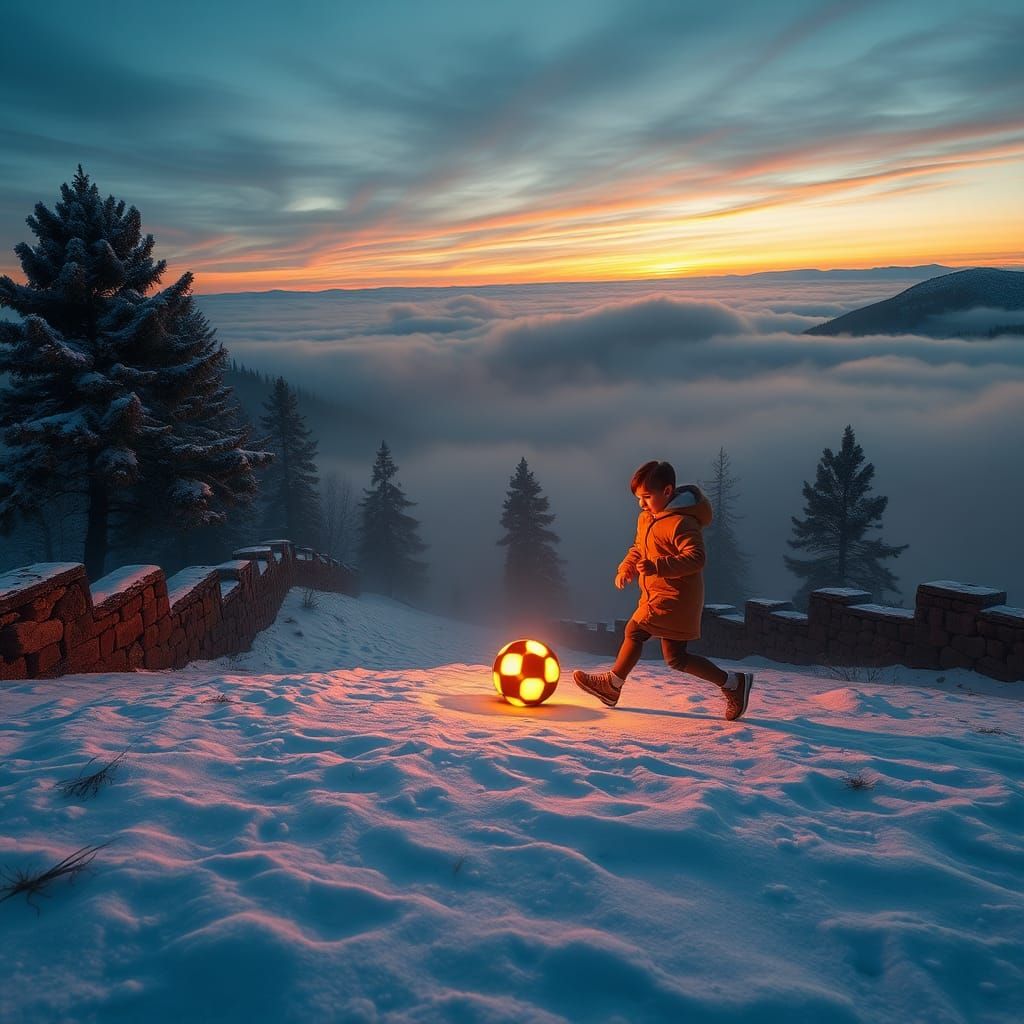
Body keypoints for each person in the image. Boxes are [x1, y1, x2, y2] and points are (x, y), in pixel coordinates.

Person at [573, 460, 754, 721]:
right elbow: (639, 548)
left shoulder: (682, 523)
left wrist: (658, 566)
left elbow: (697, 558)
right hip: (656, 594)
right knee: (676, 658)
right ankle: (733, 684)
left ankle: (612, 685)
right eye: (638, 498)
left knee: (634, 631)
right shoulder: (646, 519)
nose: (641, 504)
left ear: (667, 491)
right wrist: (627, 568)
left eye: (647, 497)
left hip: (676, 597)